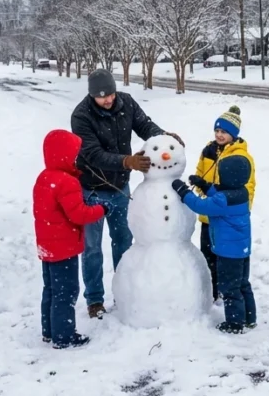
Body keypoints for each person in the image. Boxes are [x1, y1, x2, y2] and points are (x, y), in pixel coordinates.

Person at [70, 68, 182, 319]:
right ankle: (95, 299)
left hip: (120, 188)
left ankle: (124, 292)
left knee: (123, 242)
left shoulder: (126, 102)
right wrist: (127, 162)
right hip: (92, 190)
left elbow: (145, 126)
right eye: (102, 96)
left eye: (110, 94)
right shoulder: (81, 115)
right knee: (92, 248)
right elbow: (93, 154)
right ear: (92, 95)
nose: (108, 99)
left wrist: (165, 138)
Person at [33, 129, 107, 349]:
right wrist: (101, 209)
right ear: (63, 154)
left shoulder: (45, 177)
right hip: (63, 248)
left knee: (51, 289)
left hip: (48, 246)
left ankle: (49, 330)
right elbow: (79, 215)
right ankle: (64, 336)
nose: (77, 159)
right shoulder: (67, 182)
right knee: (66, 291)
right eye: (74, 154)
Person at [172, 151, 256, 334]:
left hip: (228, 253)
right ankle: (249, 318)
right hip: (241, 250)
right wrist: (204, 185)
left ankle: (235, 323)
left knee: (230, 288)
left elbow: (200, 205)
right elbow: (221, 194)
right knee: (242, 283)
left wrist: (183, 192)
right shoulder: (241, 192)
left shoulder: (223, 200)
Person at [189, 105, 255, 301]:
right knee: (207, 254)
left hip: (227, 217)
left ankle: (226, 290)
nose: (219, 135)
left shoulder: (240, 157)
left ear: (233, 134)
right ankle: (211, 290)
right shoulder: (208, 150)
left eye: (224, 132)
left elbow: (248, 186)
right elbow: (201, 171)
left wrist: (240, 210)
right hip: (208, 214)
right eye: (217, 130)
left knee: (225, 257)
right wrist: (200, 185)